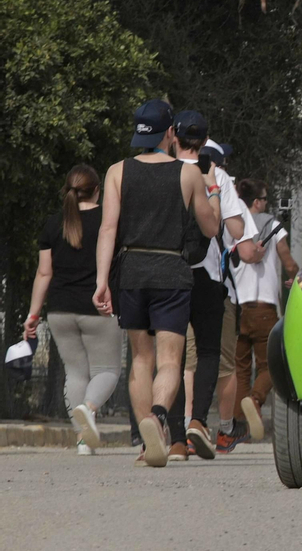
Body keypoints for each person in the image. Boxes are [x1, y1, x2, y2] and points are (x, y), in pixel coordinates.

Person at [92, 99, 222, 468]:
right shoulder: (188, 174)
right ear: (170, 133)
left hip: (130, 268)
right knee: (170, 359)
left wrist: (102, 281)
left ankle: (146, 445)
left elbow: (107, 229)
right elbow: (210, 228)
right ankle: (158, 417)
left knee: (140, 359)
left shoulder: (117, 171)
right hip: (171, 269)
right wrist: (212, 191)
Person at [166, 111, 256, 461]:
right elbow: (234, 231)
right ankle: (199, 421)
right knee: (207, 352)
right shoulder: (217, 175)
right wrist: (217, 190)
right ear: (204, 142)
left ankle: (175, 435)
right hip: (207, 275)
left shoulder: (162, 172)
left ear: (173, 136)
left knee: (171, 356)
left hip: (168, 272)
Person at [24, 165, 120, 454]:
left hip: (59, 310)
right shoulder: (108, 220)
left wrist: (33, 314)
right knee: (108, 371)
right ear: (97, 191)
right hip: (98, 307)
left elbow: (44, 274)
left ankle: (82, 440)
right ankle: (88, 409)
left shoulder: (54, 224)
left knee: (76, 373)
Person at [221, 178, 298, 453]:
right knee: (269, 366)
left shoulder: (233, 226)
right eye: (264, 198)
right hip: (265, 308)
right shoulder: (274, 226)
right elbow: (288, 260)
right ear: (257, 201)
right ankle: (254, 401)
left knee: (240, 368)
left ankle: (239, 425)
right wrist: (296, 276)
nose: (266, 203)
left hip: (239, 306)